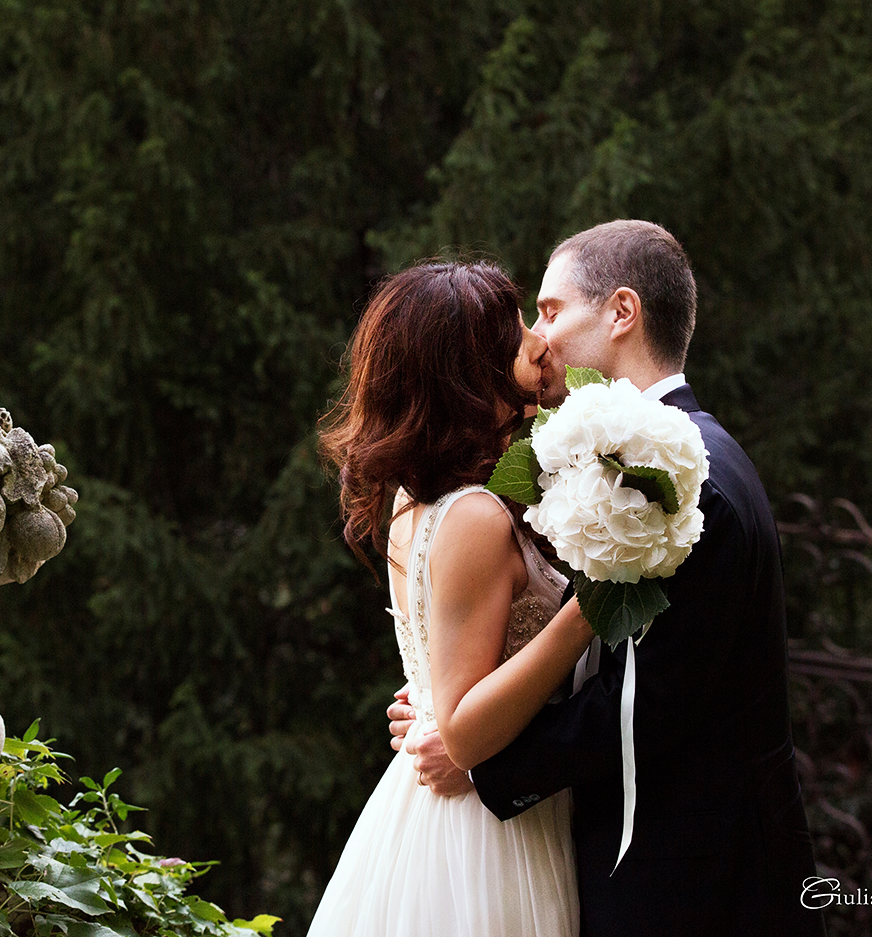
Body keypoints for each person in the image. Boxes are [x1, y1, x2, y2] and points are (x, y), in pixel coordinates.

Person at [391, 221, 824, 936]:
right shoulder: (631, 467)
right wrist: (452, 700)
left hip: (696, 882)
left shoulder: (683, 484)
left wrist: (479, 759)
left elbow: (642, 707)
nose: (537, 339)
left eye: (550, 310)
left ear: (622, 312)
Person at [309, 261, 595, 937]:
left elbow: (449, 682)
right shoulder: (472, 516)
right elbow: (463, 729)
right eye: (515, 332)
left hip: (449, 807)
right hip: (487, 835)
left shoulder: (418, 499)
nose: (539, 344)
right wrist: (592, 606)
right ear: (468, 373)